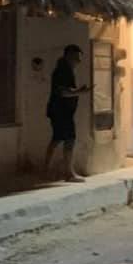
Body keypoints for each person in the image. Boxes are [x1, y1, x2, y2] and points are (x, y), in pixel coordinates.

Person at [45, 44, 89, 183]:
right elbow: (64, 92)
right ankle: (68, 173)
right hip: (61, 111)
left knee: (57, 139)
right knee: (69, 139)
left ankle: (47, 169)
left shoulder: (64, 70)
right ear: (69, 56)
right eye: (77, 58)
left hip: (60, 111)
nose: (79, 62)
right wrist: (80, 92)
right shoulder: (63, 71)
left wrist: (77, 91)